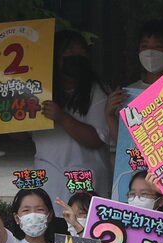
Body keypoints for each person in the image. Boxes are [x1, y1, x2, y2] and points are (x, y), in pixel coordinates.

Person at [29, 30, 111, 205]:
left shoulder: (97, 90)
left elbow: (97, 139)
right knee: (52, 225)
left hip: (86, 176)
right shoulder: (38, 92)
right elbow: (19, 135)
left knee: (83, 226)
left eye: (80, 50)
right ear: (55, 57)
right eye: (68, 50)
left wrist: (61, 117)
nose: (75, 55)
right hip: (49, 177)